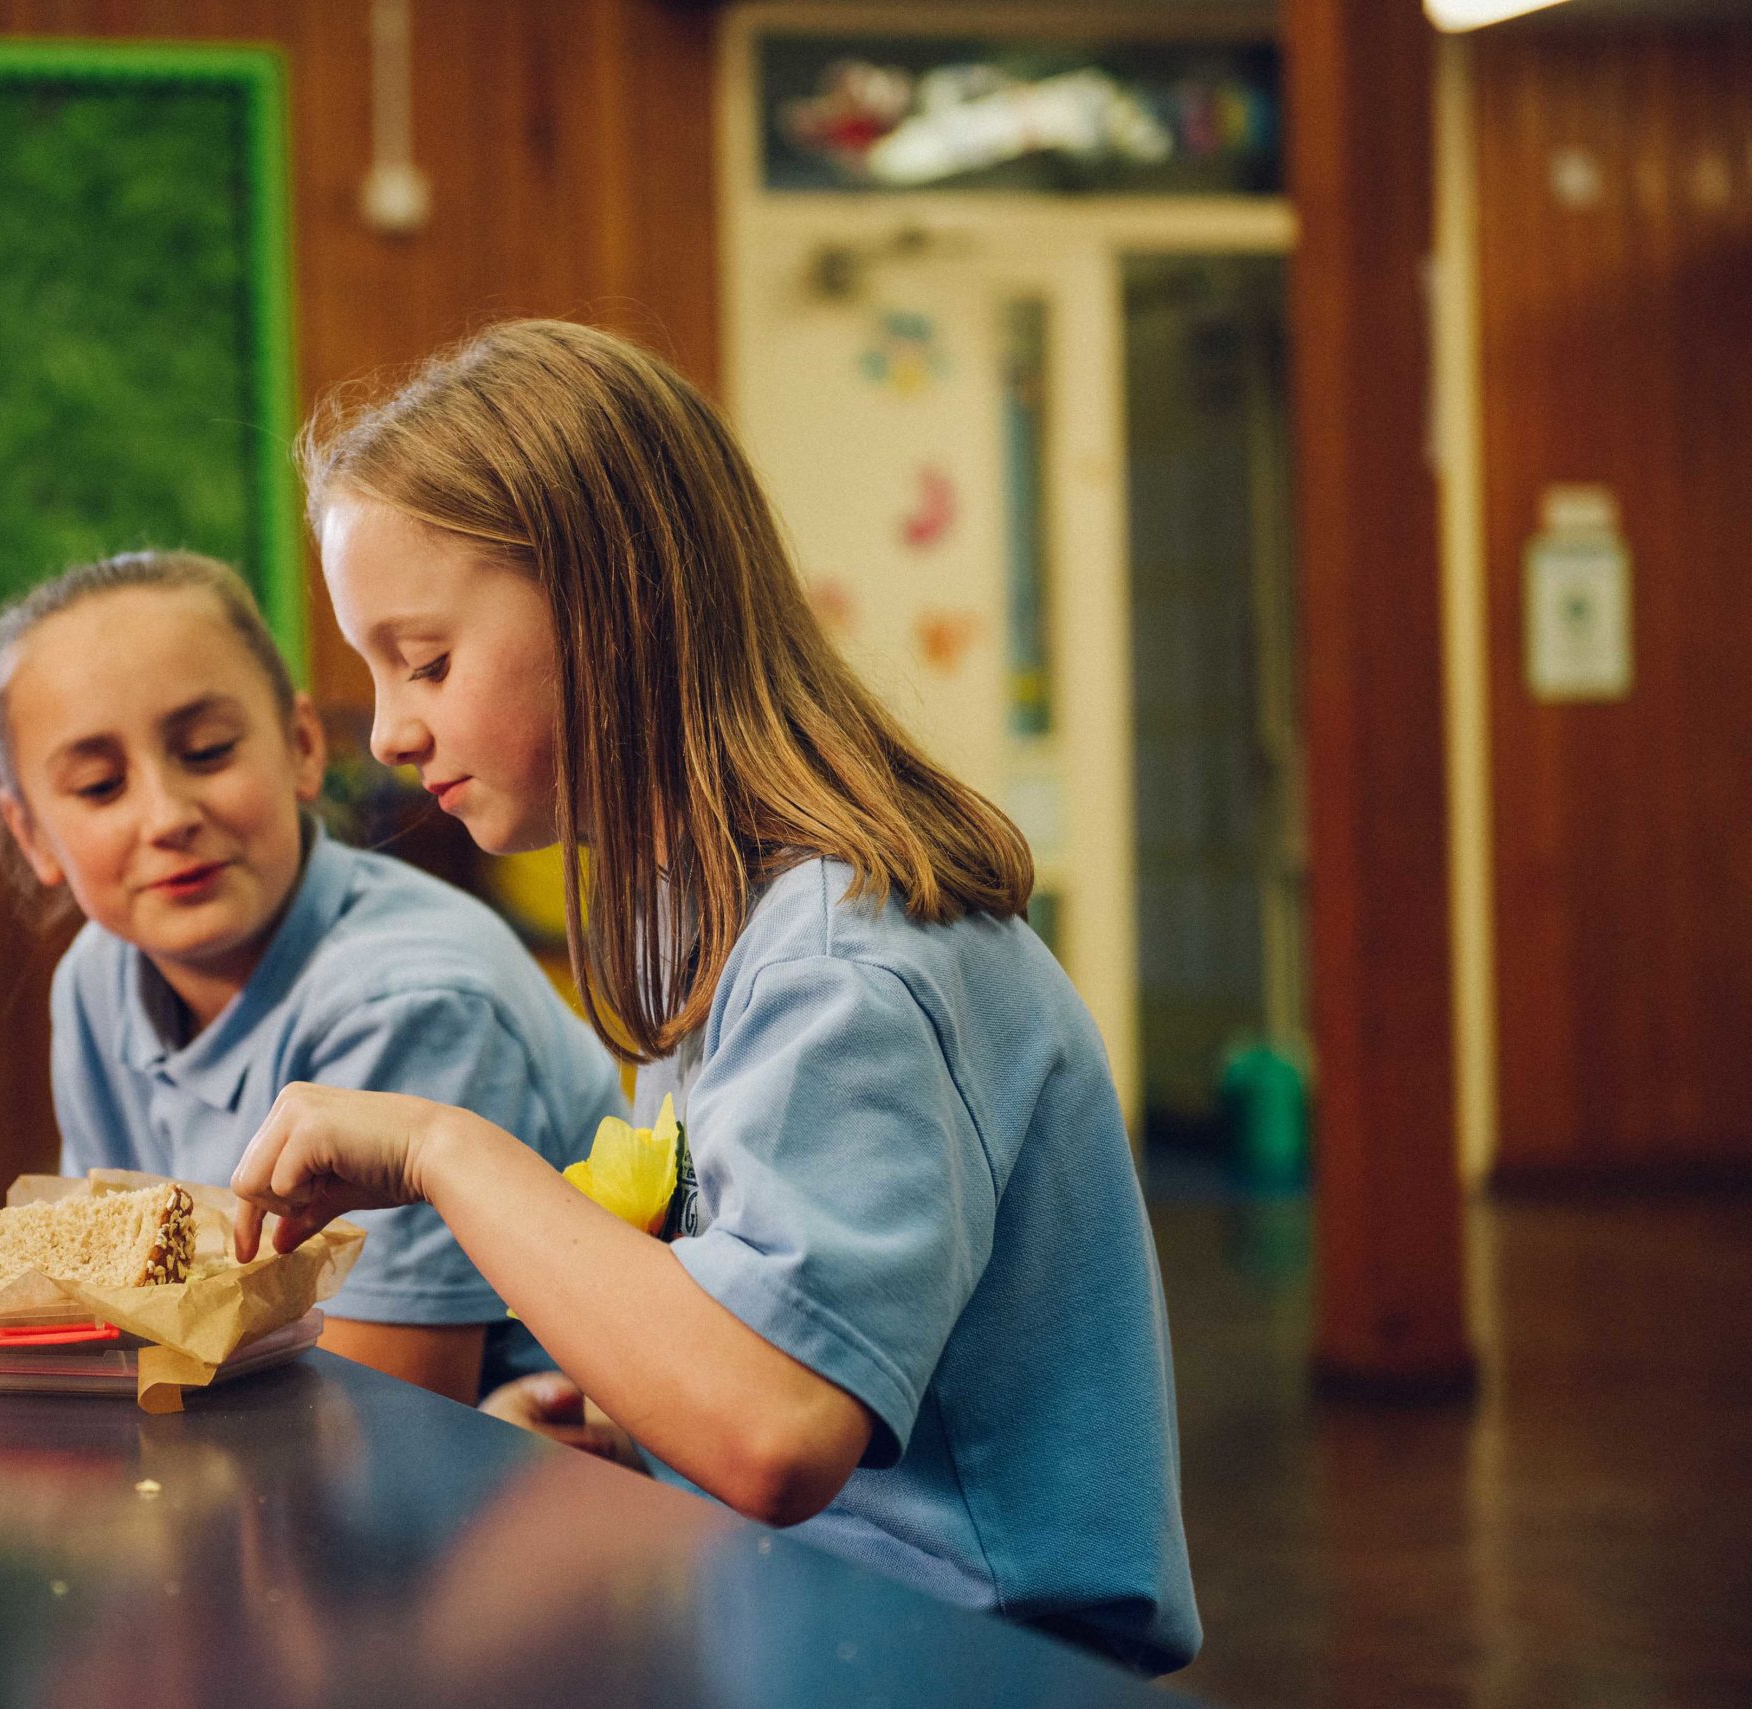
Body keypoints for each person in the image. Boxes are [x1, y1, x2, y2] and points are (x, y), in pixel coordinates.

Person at [228, 322, 1201, 1672]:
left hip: (976, 1662)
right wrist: (636, 1405)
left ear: (614, 607)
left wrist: (443, 1147)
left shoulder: (845, 961)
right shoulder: (713, 915)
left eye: (429, 661)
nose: (389, 731)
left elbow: (779, 1433)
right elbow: (756, 1333)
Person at [0, 548, 622, 1403]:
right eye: (100, 786)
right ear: (30, 835)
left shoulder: (414, 1000)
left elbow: (385, 1412)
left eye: (206, 751)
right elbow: (105, 1317)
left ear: (302, 745)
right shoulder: (98, 980)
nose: (168, 816)